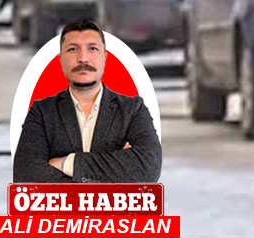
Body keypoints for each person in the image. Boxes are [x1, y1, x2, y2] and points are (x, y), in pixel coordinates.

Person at [13, 20, 162, 183]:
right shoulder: (42, 112)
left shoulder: (132, 109)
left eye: (92, 49)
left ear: (105, 57)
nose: (83, 58)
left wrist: (67, 163)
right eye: (72, 49)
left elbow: (149, 166)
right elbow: (26, 174)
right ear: (61, 59)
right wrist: (117, 169)